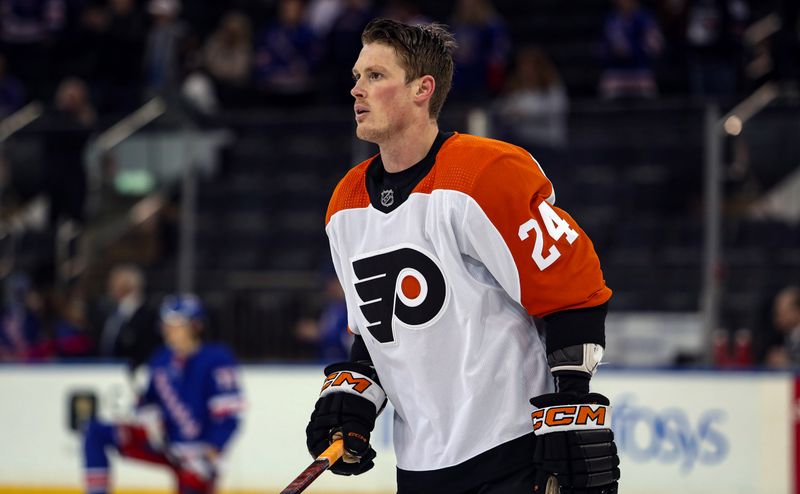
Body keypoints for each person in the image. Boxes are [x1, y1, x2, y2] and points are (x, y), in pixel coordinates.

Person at [304, 18, 620, 494]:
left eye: (375, 76)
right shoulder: (346, 204)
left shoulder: (486, 174)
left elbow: (573, 290)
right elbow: (374, 329)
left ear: (421, 89)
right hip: (418, 466)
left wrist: (572, 406)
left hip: (511, 452)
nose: (356, 90)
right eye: (356, 76)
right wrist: (354, 393)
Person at [82, 294, 244, 494]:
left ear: (196, 326)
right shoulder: (161, 358)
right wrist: (145, 414)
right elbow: (150, 400)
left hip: (197, 456)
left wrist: (213, 451)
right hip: (164, 443)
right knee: (95, 432)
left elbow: (228, 415)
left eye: (176, 324)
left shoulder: (216, 359)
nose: (169, 330)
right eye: (166, 324)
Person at [91, 264, 161, 373]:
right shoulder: (109, 315)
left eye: (114, 282)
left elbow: (146, 352)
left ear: (128, 286)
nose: (109, 286)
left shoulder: (148, 318)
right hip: (105, 374)